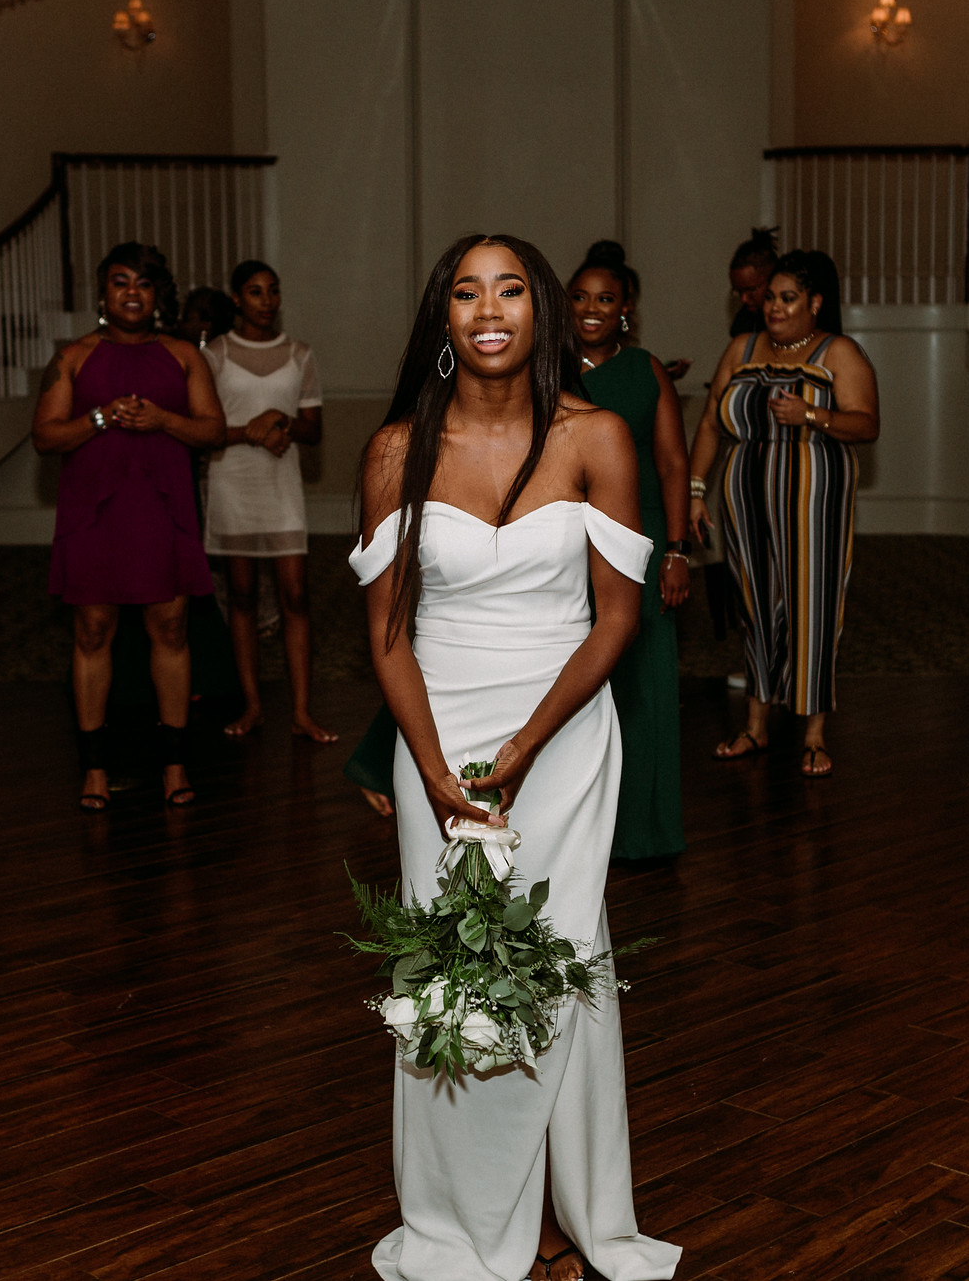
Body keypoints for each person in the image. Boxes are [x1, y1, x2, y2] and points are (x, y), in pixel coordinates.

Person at [351, 233, 678, 1281]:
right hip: (433, 735)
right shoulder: (396, 451)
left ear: (538, 312)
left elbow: (615, 619)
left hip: (564, 732)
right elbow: (387, 631)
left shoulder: (596, 437)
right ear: (440, 317)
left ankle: (559, 1211)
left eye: (508, 290)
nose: (486, 309)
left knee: (558, 966)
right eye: (463, 291)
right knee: (450, 972)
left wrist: (528, 747)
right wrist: (435, 765)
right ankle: (465, 1214)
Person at [34, 242, 225, 810]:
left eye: (143, 283)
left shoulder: (184, 355)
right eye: (120, 282)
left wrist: (162, 419)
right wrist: (99, 417)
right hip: (95, 513)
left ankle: (173, 762)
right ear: (102, 294)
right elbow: (45, 437)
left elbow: (213, 431)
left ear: (156, 294)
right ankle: (93, 767)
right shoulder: (73, 357)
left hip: (162, 511)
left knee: (170, 630)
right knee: (92, 632)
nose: (132, 292)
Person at [686, 249, 879, 778]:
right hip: (744, 495)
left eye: (787, 297)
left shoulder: (838, 352)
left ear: (815, 303)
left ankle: (814, 733)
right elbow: (709, 424)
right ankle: (756, 724)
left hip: (815, 495)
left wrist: (811, 413)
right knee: (753, 604)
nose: (774, 306)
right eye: (770, 296)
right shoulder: (741, 347)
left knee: (810, 606)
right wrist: (696, 489)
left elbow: (866, 425)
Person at [570, 241, 690, 861]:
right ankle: (568, 828)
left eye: (606, 299)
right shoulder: (544, 370)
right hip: (565, 541)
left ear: (626, 309)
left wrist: (675, 550)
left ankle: (641, 830)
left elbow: (671, 462)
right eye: (581, 297)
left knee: (641, 686)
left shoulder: (647, 371)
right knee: (569, 686)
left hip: (638, 540)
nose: (592, 308)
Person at [203, 259, 337, 743]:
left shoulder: (299, 354)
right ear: (237, 299)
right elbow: (206, 431)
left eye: (273, 291)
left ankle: (301, 711)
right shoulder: (215, 354)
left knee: (296, 596)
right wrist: (254, 432)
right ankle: (254, 705)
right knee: (239, 596)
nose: (267, 300)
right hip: (232, 483)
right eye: (256, 292)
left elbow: (314, 429)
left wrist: (281, 417)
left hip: (281, 487)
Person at [727, 226, 779, 338]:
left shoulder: (791, 319)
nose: (744, 299)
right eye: (738, 292)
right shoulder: (743, 323)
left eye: (751, 289)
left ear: (773, 280)